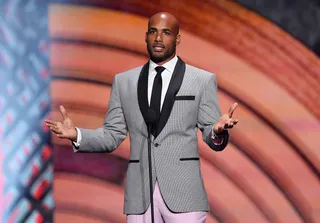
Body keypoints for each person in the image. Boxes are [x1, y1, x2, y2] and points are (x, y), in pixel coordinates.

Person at [45, 12, 238, 223]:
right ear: (145, 36)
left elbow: (211, 132)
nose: (158, 38)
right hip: (140, 194)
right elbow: (112, 135)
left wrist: (217, 131)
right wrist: (77, 135)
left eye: (166, 33)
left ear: (178, 39)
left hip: (184, 192)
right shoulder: (124, 82)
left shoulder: (201, 80)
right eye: (153, 32)